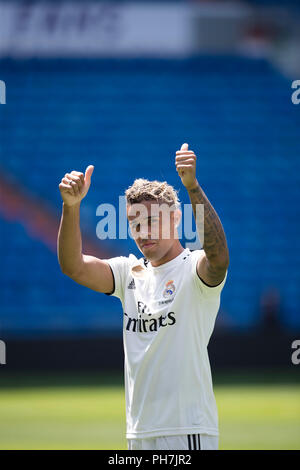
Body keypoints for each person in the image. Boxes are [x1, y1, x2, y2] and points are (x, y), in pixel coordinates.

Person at [57, 143, 229, 450]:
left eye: (151, 221)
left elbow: (218, 260)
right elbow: (73, 267)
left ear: (175, 219)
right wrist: (71, 208)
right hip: (137, 433)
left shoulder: (193, 269)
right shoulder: (128, 273)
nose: (143, 231)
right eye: (135, 223)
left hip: (187, 429)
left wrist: (192, 187)